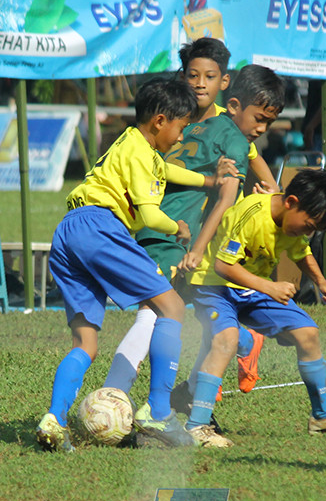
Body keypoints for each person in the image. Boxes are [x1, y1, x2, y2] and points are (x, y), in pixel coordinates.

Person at [36, 77, 230, 452]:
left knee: (85, 341)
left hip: (68, 231)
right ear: (160, 121)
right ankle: (158, 411)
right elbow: (148, 213)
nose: (180, 136)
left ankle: (55, 420)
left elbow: (168, 172)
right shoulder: (142, 153)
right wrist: (179, 227)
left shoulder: (130, 142)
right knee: (171, 306)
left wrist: (208, 179)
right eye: (180, 126)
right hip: (100, 226)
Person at [103, 41, 281, 403]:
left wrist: (269, 196)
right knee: (192, 313)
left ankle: (116, 395)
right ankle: (242, 344)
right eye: (193, 75)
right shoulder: (170, 119)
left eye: (209, 77)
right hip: (152, 229)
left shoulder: (228, 130)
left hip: (182, 238)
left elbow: (240, 180)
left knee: (153, 311)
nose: (200, 83)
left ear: (224, 82)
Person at [182, 169, 326, 447]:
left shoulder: (291, 223)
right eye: (308, 226)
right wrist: (269, 287)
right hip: (213, 285)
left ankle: (323, 417)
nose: (307, 232)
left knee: (308, 333)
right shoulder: (251, 214)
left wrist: (322, 282)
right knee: (226, 339)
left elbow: (300, 251)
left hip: (252, 288)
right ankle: (197, 426)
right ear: (290, 201)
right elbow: (223, 265)